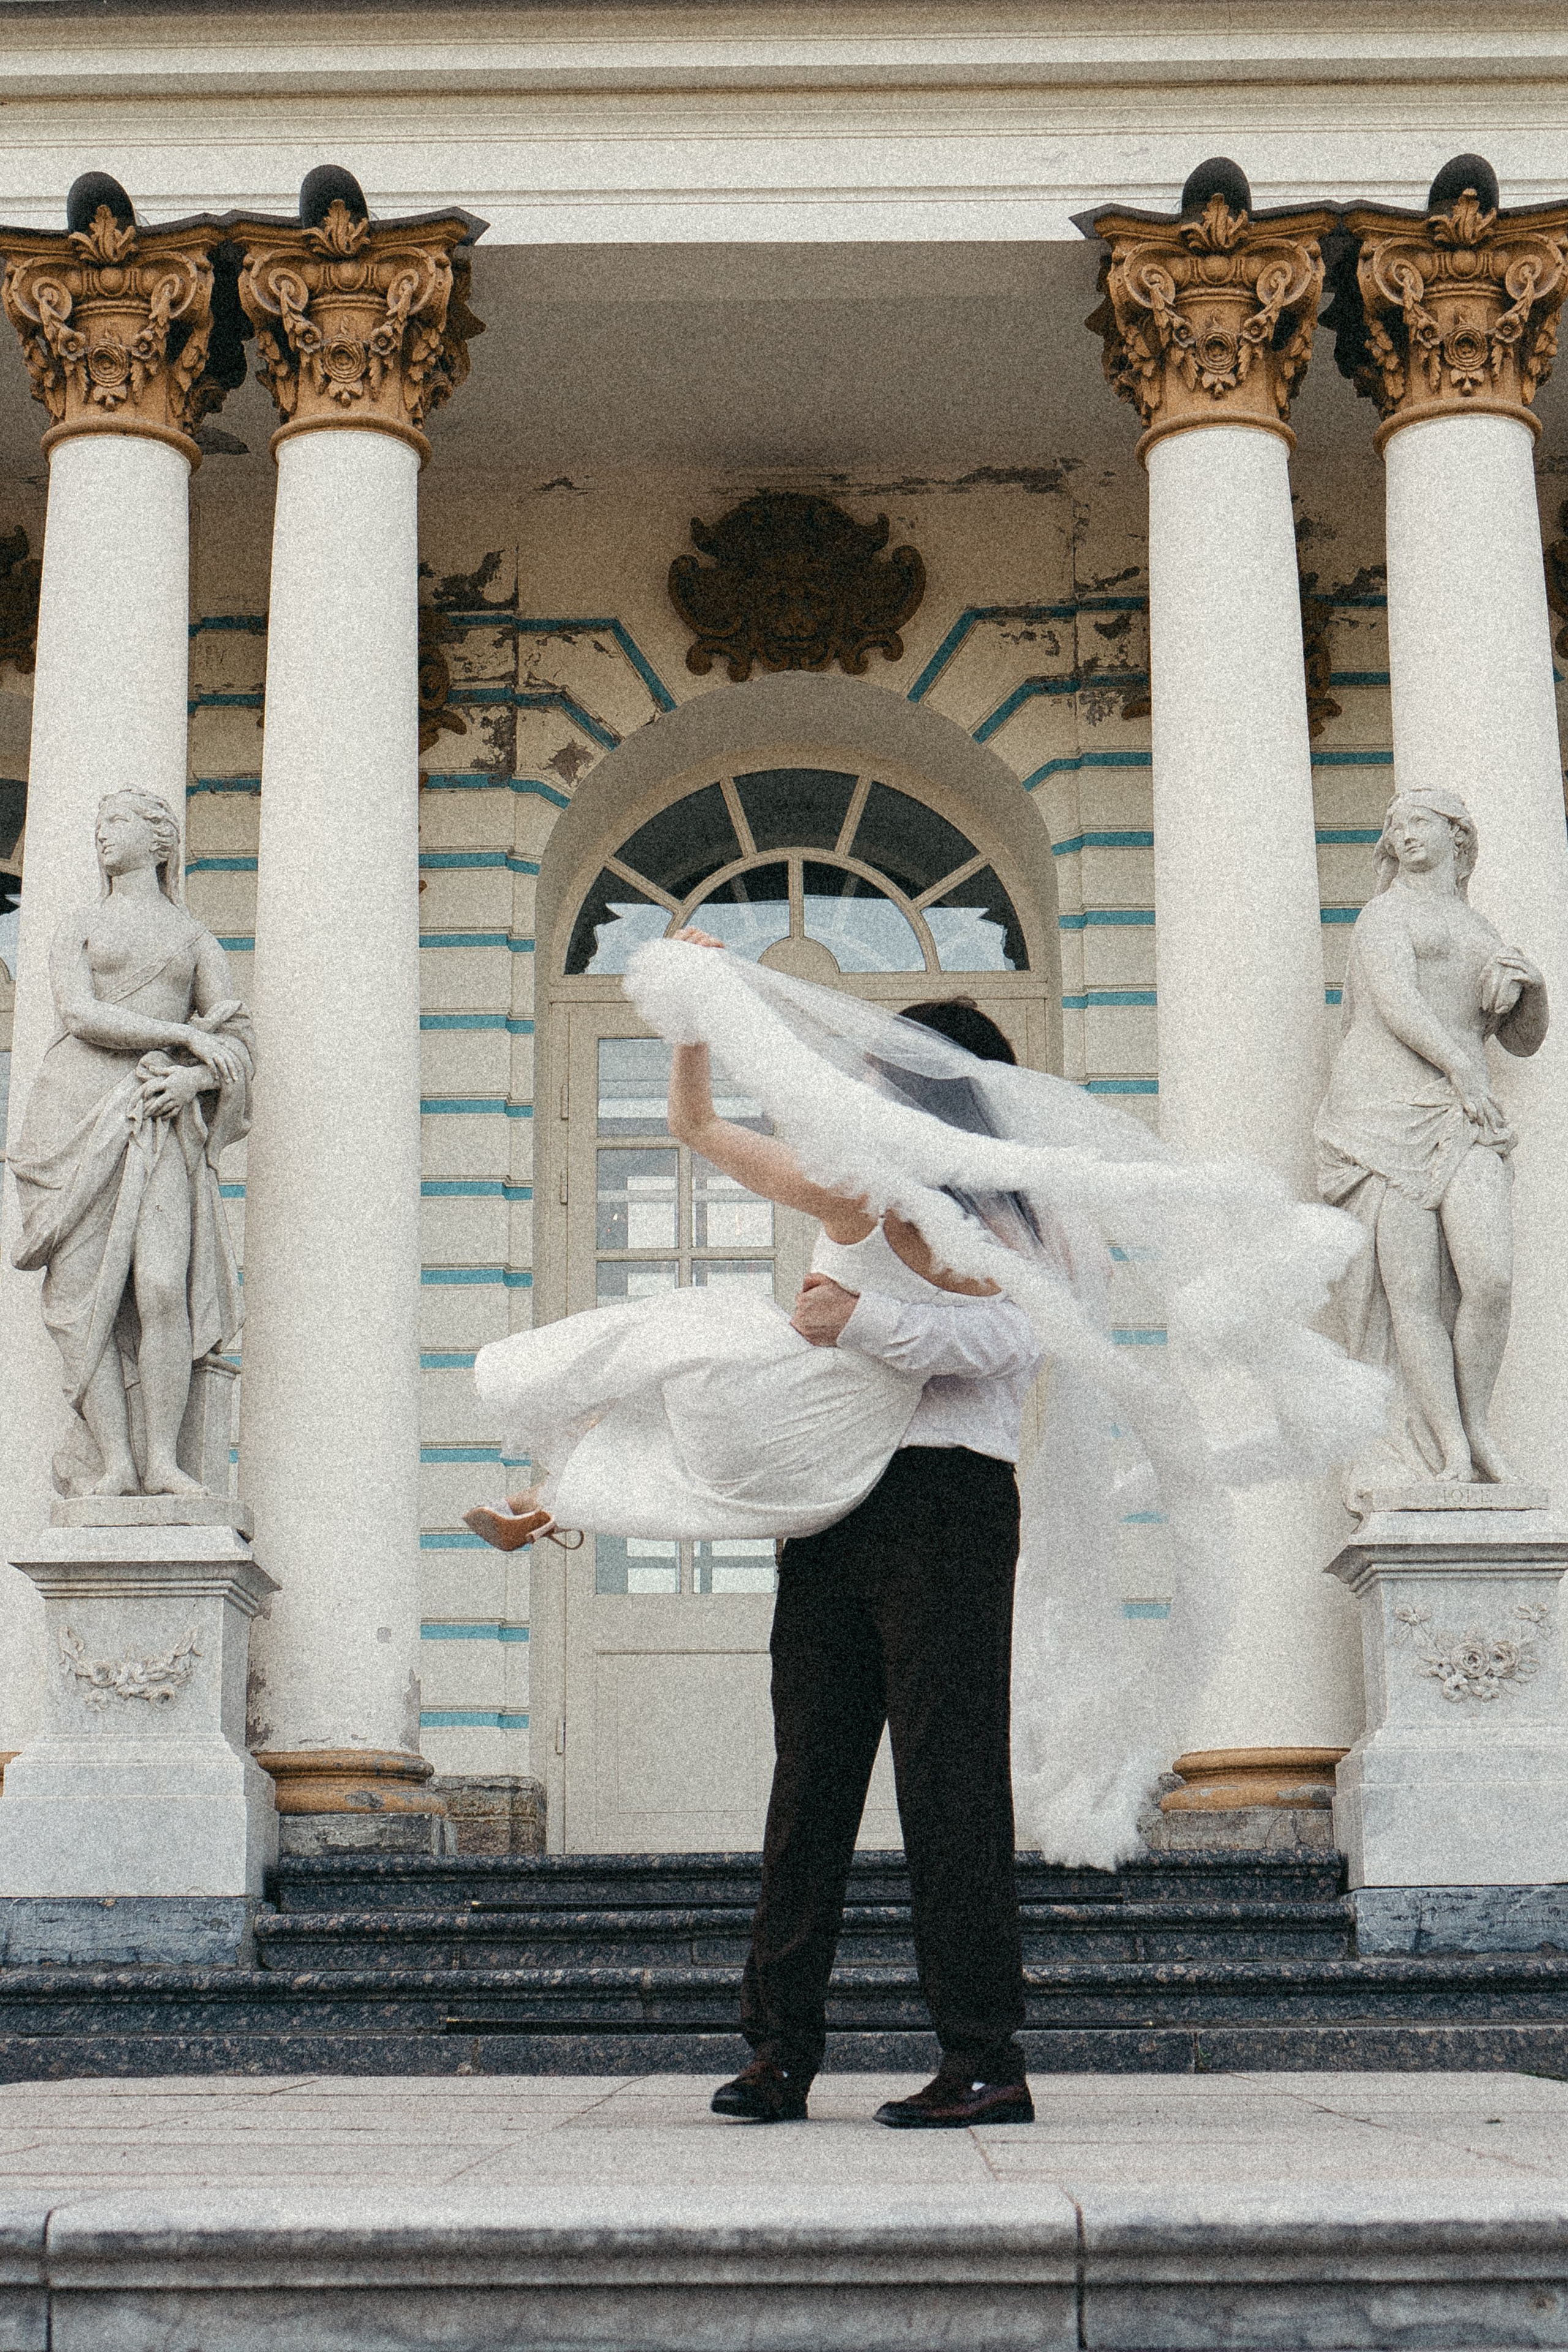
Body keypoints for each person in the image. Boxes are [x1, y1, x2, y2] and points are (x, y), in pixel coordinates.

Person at [9, 789, 252, 1498]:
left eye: (115, 823)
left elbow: (237, 1039)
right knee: (89, 1302)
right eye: (98, 825)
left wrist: (192, 1083)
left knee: (159, 1286)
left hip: (157, 1118)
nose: (101, 837)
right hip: (75, 1117)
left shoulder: (194, 939)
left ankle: (163, 1462)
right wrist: (181, 1036)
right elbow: (80, 1013)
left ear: (160, 843)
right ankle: (116, 1461)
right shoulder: (78, 927)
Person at [1315, 786, 1547, 1493]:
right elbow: (1395, 1003)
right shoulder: (1385, 915)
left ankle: (1476, 1424)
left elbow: (1521, 1041)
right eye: (1394, 825)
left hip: (1462, 1116)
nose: (1403, 834)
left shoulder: (1479, 928)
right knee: (1408, 1293)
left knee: (1491, 1281)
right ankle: (1449, 1449)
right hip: (1382, 1113)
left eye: (1417, 822)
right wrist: (1458, 1069)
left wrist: (1533, 989)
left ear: (1457, 836)